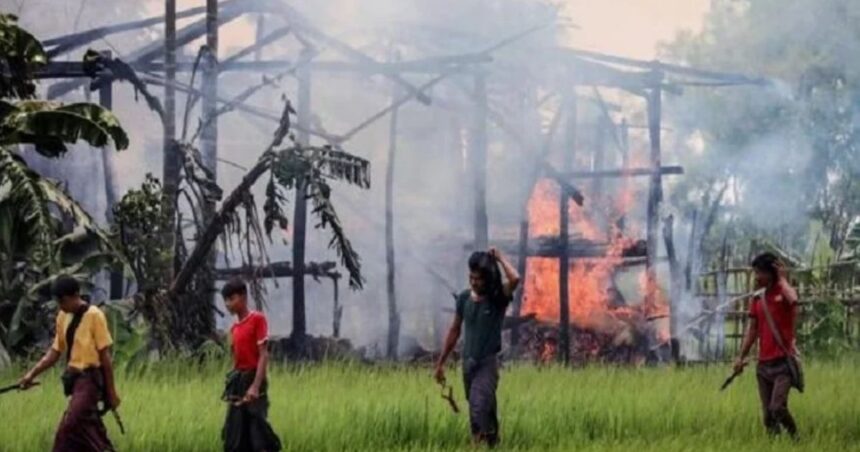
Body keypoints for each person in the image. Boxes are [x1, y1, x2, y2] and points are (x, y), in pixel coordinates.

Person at [18, 275, 120, 452]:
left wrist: (111, 391)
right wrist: (31, 374)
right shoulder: (62, 316)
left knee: (71, 424)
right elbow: (55, 352)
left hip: (90, 381)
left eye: (63, 301)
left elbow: (105, 357)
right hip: (75, 382)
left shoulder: (95, 316)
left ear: (75, 296)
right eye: (58, 302)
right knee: (83, 429)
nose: (61, 306)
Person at [434, 248, 520, 447]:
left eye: (478, 278)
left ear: (487, 279)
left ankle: (476, 446)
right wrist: (440, 363)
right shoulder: (464, 299)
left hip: (487, 365)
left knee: (477, 408)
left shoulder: (497, 298)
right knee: (484, 409)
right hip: (467, 364)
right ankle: (493, 442)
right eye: (471, 277)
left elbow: (515, 279)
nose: (473, 282)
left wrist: (499, 258)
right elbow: (454, 330)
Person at [733, 252, 800, 438]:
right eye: (755, 272)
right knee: (768, 417)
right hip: (763, 366)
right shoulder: (757, 299)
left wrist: (783, 279)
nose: (756, 277)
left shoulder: (784, 294)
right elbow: (752, 331)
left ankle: (797, 440)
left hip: (782, 364)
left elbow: (794, 299)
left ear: (771, 273)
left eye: (760, 272)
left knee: (778, 407)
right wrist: (741, 357)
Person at [221, 278, 282, 452]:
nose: (228, 304)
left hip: (254, 377)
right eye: (226, 300)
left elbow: (263, 354)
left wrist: (255, 386)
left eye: (231, 299)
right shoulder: (234, 329)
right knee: (236, 433)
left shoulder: (257, 319)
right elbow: (236, 360)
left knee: (258, 433)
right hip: (239, 381)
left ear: (243, 297)